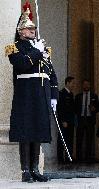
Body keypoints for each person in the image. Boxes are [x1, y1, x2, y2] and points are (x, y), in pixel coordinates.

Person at [4, 5, 58, 183]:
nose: (33, 31)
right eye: (29, 28)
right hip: (26, 95)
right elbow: (23, 64)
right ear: (21, 32)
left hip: (41, 94)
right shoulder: (15, 48)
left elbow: (51, 74)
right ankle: (25, 169)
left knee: (38, 131)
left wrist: (54, 96)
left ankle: (35, 168)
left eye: (34, 28)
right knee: (26, 132)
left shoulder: (42, 48)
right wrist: (37, 51)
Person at [75, 79, 98, 162]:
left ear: (90, 86)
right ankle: (79, 158)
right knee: (79, 139)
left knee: (89, 139)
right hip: (80, 119)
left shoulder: (94, 96)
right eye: (84, 84)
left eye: (88, 84)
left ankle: (88, 157)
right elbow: (75, 108)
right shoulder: (78, 96)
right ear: (82, 86)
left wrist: (94, 109)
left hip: (90, 120)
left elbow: (97, 108)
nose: (86, 86)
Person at [57, 76, 75, 164]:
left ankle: (69, 158)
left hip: (70, 122)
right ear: (67, 83)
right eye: (72, 83)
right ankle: (60, 159)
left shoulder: (71, 94)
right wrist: (63, 120)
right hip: (64, 122)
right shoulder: (61, 93)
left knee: (69, 140)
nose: (73, 85)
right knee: (62, 140)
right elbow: (60, 109)